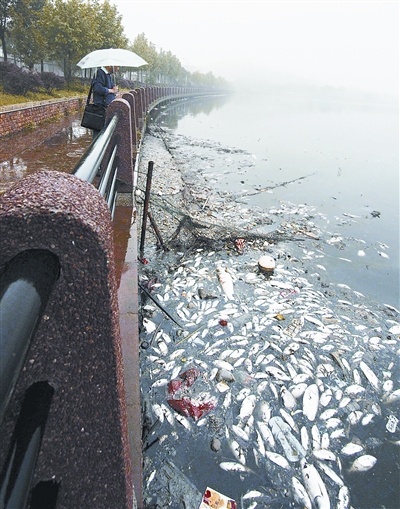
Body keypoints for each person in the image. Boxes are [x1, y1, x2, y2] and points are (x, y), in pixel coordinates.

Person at [91, 65, 119, 138]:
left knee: (104, 131)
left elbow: (109, 88)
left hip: (106, 107)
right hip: (101, 108)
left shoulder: (108, 75)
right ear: (110, 66)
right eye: (117, 66)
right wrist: (111, 90)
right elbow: (97, 88)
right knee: (98, 132)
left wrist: (114, 89)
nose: (118, 69)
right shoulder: (100, 73)